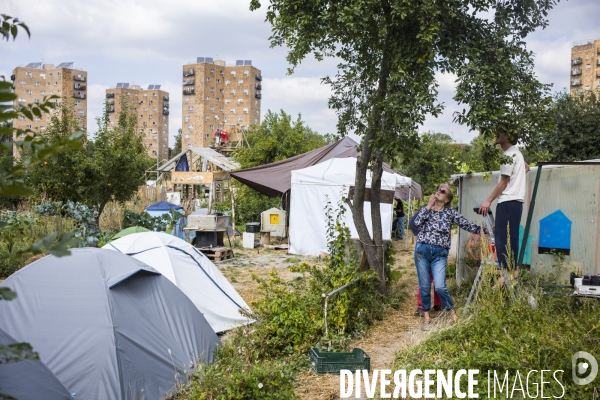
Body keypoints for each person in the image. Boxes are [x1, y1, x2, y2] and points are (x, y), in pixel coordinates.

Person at [413, 183, 482, 330]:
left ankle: (452, 313)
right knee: (424, 286)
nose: (438, 191)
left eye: (442, 191)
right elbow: (417, 223)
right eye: (437, 189)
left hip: (440, 254)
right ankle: (426, 317)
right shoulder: (427, 209)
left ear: (447, 199)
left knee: (440, 286)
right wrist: (428, 206)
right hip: (422, 252)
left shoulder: (450, 212)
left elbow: (466, 225)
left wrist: (485, 229)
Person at [478, 132, 527, 273]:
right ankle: (512, 272)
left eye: (499, 132)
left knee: (503, 239)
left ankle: (505, 275)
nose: (496, 134)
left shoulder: (508, 155)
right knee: (511, 237)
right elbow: (526, 167)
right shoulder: (516, 153)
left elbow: (503, 183)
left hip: (507, 201)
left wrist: (488, 201)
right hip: (515, 203)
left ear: (507, 136)